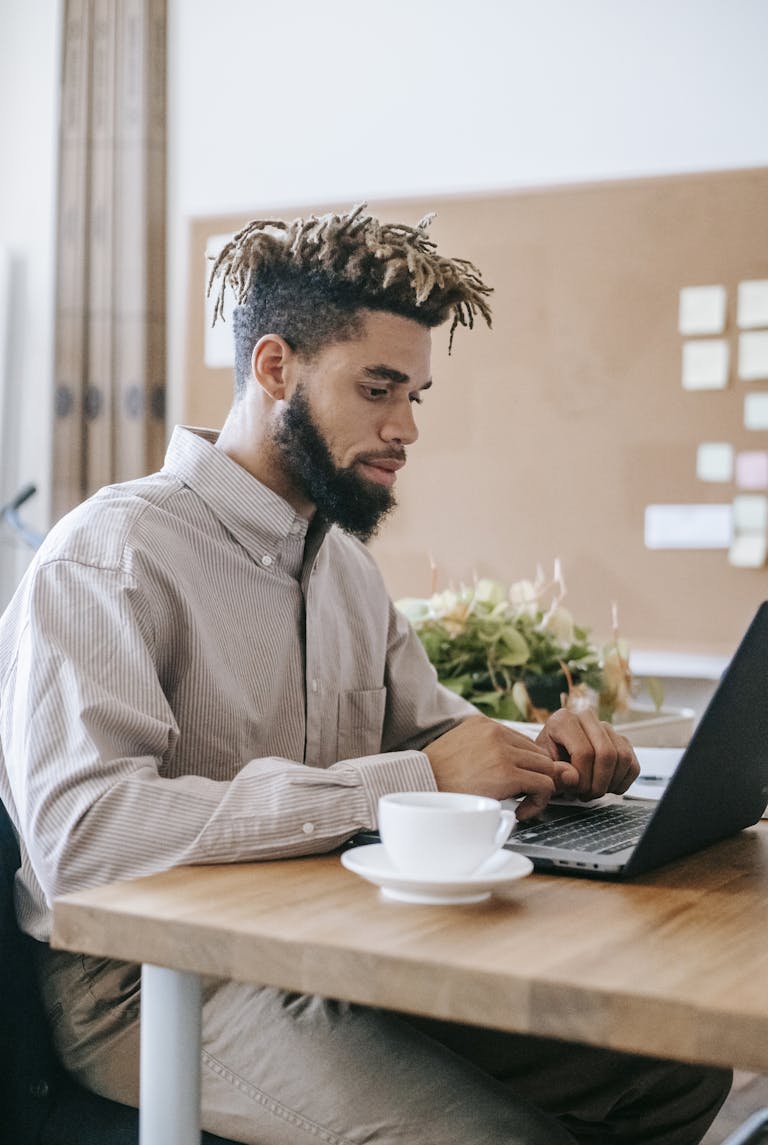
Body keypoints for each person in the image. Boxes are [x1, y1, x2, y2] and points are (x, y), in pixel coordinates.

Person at [0, 203, 729, 1144]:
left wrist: (541, 756)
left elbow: (432, 734)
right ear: (275, 368)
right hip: (151, 983)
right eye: (379, 389)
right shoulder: (108, 554)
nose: (406, 427)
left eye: (416, 395)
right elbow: (86, 838)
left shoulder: (342, 565)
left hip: (336, 945)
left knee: (672, 1070)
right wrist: (413, 782)